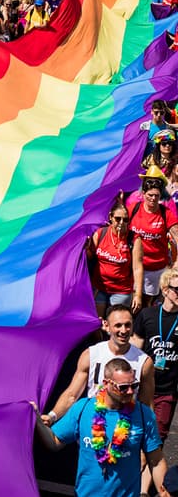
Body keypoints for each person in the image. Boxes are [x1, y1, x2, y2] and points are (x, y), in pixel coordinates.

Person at [33, 358, 168, 497]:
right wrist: (37, 419)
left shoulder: (143, 414)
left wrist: (165, 492)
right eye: (123, 387)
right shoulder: (83, 408)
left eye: (133, 385)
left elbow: (156, 460)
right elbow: (54, 442)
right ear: (106, 384)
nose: (130, 392)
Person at [40, 305, 154, 427]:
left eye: (128, 325)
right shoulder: (91, 355)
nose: (124, 330)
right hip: (93, 425)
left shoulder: (144, 362)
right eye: (118, 325)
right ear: (106, 325)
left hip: (126, 427)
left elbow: (146, 404)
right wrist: (52, 416)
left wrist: (150, 439)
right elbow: (72, 394)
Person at [134, 267, 178, 442]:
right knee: (135, 434)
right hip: (142, 386)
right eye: (177, 289)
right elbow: (135, 348)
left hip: (168, 390)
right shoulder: (147, 315)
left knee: (157, 438)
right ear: (165, 290)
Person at [127, 167, 178, 306]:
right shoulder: (133, 209)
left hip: (155, 269)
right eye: (150, 195)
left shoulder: (165, 213)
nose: (153, 198)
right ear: (143, 193)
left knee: (146, 303)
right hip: (132, 266)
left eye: (156, 195)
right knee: (131, 301)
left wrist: (177, 263)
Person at [87, 202, 144, 317]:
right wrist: (86, 247)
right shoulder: (100, 233)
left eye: (126, 220)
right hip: (99, 288)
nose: (122, 223)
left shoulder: (133, 239)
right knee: (98, 322)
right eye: (118, 219)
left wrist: (138, 295)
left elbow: (137, 268)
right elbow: (89, 257)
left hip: (121, 291)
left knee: (116, 323)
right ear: (111, 218)